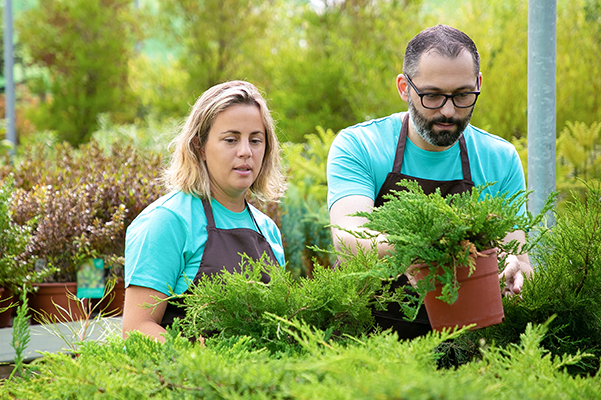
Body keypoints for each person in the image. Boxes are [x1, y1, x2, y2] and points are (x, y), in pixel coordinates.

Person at [326, 25, 531, 338]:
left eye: (463, 95)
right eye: (432, 96)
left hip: (469, 348)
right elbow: (349, 238)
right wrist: (422, 248)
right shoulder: (360, 145)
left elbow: (518, 258)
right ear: (404, 88)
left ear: (478, 84)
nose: (448, 111)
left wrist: (514, 270)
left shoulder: (499, 158)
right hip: (369, 348)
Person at [122, 80, 286, 343]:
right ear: (200, 146)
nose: (246, 152)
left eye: (256, 140)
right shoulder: (168, 221)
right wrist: (204, 362)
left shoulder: (268, 231)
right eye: (231, 140)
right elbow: (138, 327)